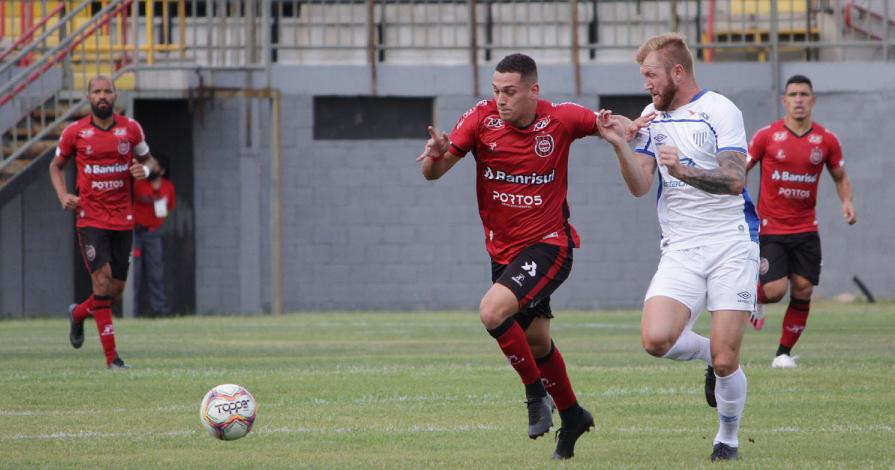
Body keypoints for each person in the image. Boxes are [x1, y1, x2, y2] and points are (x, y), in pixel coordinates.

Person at [416, 53, 644, 460]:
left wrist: (628, 125)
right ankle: (574, 415)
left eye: (510, 92)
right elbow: (434, 173)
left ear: (533, 91)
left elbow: (607, 123)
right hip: (504, 253)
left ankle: (535, 394)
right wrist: (435, 155)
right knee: (537, 343)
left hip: (550, 246)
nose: (500, 100)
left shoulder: (560, 119)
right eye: (495, 91)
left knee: (491, 312)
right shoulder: (480, 120)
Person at [597, 33, 758, 462]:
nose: (647, 84)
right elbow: (640, 184)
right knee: (656, 339)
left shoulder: (721, 111)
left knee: (728, 363)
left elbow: (735, 181)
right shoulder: (652, 115)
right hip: (682, 248)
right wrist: (619, 146)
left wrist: (683, 170)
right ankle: (712, 353)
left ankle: (727, 438)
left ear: (677, 71)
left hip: (730, 245)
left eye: (651, 75)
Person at [746, 75, 856, 369]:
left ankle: (782, 353)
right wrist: (735, 203)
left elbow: (840, 177)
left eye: (804, 94)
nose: (798, 99)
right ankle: (750, 296)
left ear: (813, 100)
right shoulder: (766, 136)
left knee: (804, 287)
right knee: (775, 291)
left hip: (807, 228)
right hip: (771, 227)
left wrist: (846, 202)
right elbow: (741, 168)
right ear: (784, 101)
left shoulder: (826, 140)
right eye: (793, 94)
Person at [49, 75, 158, 369]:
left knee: (114, 290)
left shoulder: (130, 129)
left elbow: (152, 163)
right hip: (90, 217)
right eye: (96, 91)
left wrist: (143, 172)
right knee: (102, 279)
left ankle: (78, 314)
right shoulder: (75, 132)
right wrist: (63, 196)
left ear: (115, 96)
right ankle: (113, 359)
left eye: (107, 91)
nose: (102, 96)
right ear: (88, 97)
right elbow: (55, 166)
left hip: (122, 218)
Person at [133, 155, 176, 317]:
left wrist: (158, 222)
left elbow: (169, 208)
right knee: (134, 274)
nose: (150, 169)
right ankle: (132, 311)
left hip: (153, 233)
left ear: (162, 170)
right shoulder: (138, 183)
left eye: (154, 166)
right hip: (135, 233)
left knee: (155, 273)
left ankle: (159, 310)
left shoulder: (168, 187)